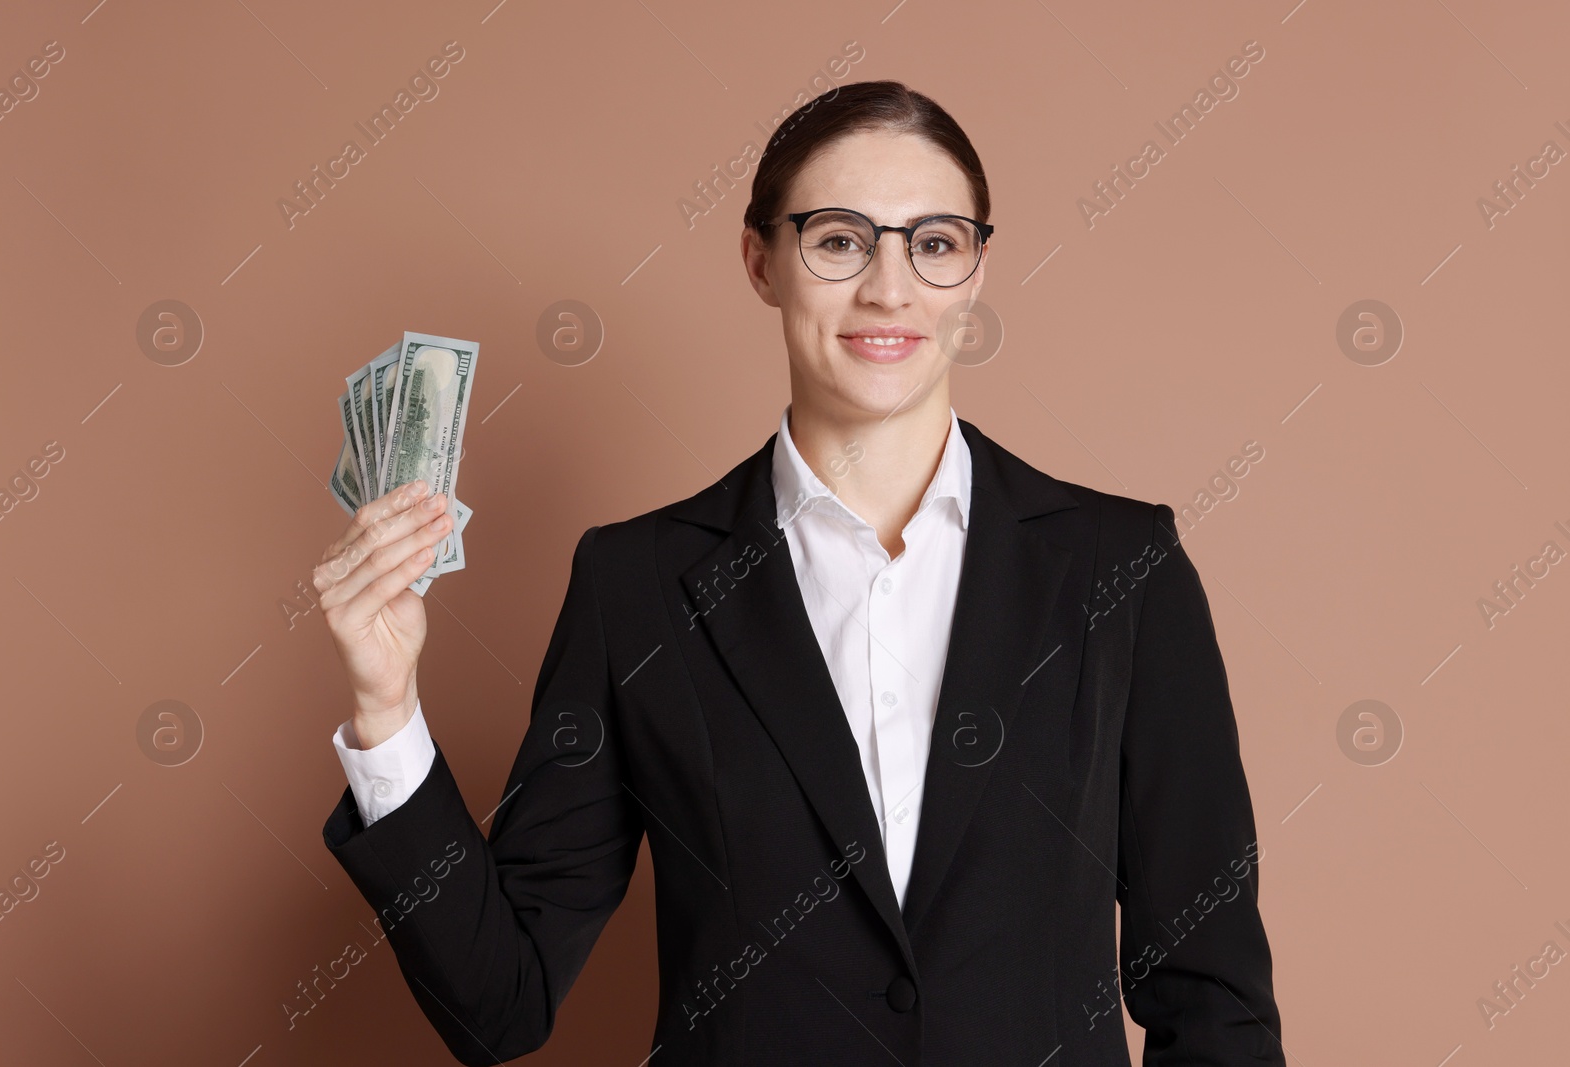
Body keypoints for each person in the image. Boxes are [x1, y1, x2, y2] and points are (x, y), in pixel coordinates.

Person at [314, 80, 1284, 1066]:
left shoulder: (1121, 569)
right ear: (760, 261)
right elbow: (499, 1002)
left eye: (934, 242)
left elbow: (1213, 998)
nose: (889, 288)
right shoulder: (637, 586)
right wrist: (386, 711)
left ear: (977, 268)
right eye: (838, 239)